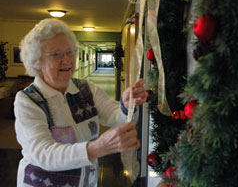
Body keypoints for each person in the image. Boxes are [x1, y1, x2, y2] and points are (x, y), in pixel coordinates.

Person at [14, 18, 147, 187]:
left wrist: (126, 105)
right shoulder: (28, 100)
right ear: (37, 61)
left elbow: (113, 115)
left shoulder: (86, 88)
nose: (67, 59)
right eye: (56, 54)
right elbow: (43, 153)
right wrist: (95, 148)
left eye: (70, 52)